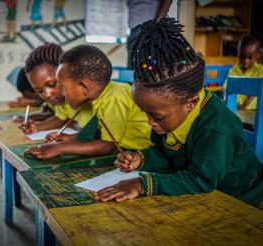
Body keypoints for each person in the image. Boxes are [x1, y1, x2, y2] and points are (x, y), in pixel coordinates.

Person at [95, 18, 263, 209]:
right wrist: (141, 158)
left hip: (243, 197)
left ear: (190, 103)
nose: (150, 122)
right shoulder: (169, 115)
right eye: (145, 113)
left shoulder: (216, 128)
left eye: (156, 116)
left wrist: (143, 183)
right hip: (208, 193)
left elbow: (201, 179)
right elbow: (167, 155)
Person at [24, 45, 152, 159]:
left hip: (147, 155)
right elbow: (99, 132)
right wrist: (71, 138)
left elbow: (106, 146)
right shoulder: (100, 97)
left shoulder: (113, 99)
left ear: (84, 88)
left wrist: (61, 147)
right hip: (128, 153)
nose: (62, 93)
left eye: (63, 87)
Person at [20, 43, 93, 137]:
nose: (47, 94)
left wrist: (69, 138)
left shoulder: (89, 94)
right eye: (39, 90)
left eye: (51, 84)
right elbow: (60, 118)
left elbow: (97, 134)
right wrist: (37, 127)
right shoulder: (61, 99)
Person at [223, 36, 263, 110]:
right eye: (242, 57)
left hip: (253, 111)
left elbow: (255, 92)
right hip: (234, 108)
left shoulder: (260, 70)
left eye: (249, 58)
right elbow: (226, 88)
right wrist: (226, 102)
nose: (245, 61)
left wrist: (243, 106)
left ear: (257, 55)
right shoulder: (233, 69)